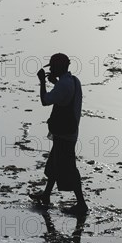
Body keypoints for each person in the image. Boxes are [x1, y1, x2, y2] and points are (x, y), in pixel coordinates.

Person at [30, 53, 88, 215]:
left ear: (59, 67)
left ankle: (82, 204)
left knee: (70, 169)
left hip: (65, 135)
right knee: (55, 165)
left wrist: (42, 82)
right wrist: (55, 83)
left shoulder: (63, 85)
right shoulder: (73, 81)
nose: (51, 70)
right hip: (70, 131)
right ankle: (46, 195)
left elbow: (45, 100)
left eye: (53, 67)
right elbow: (64, 96)